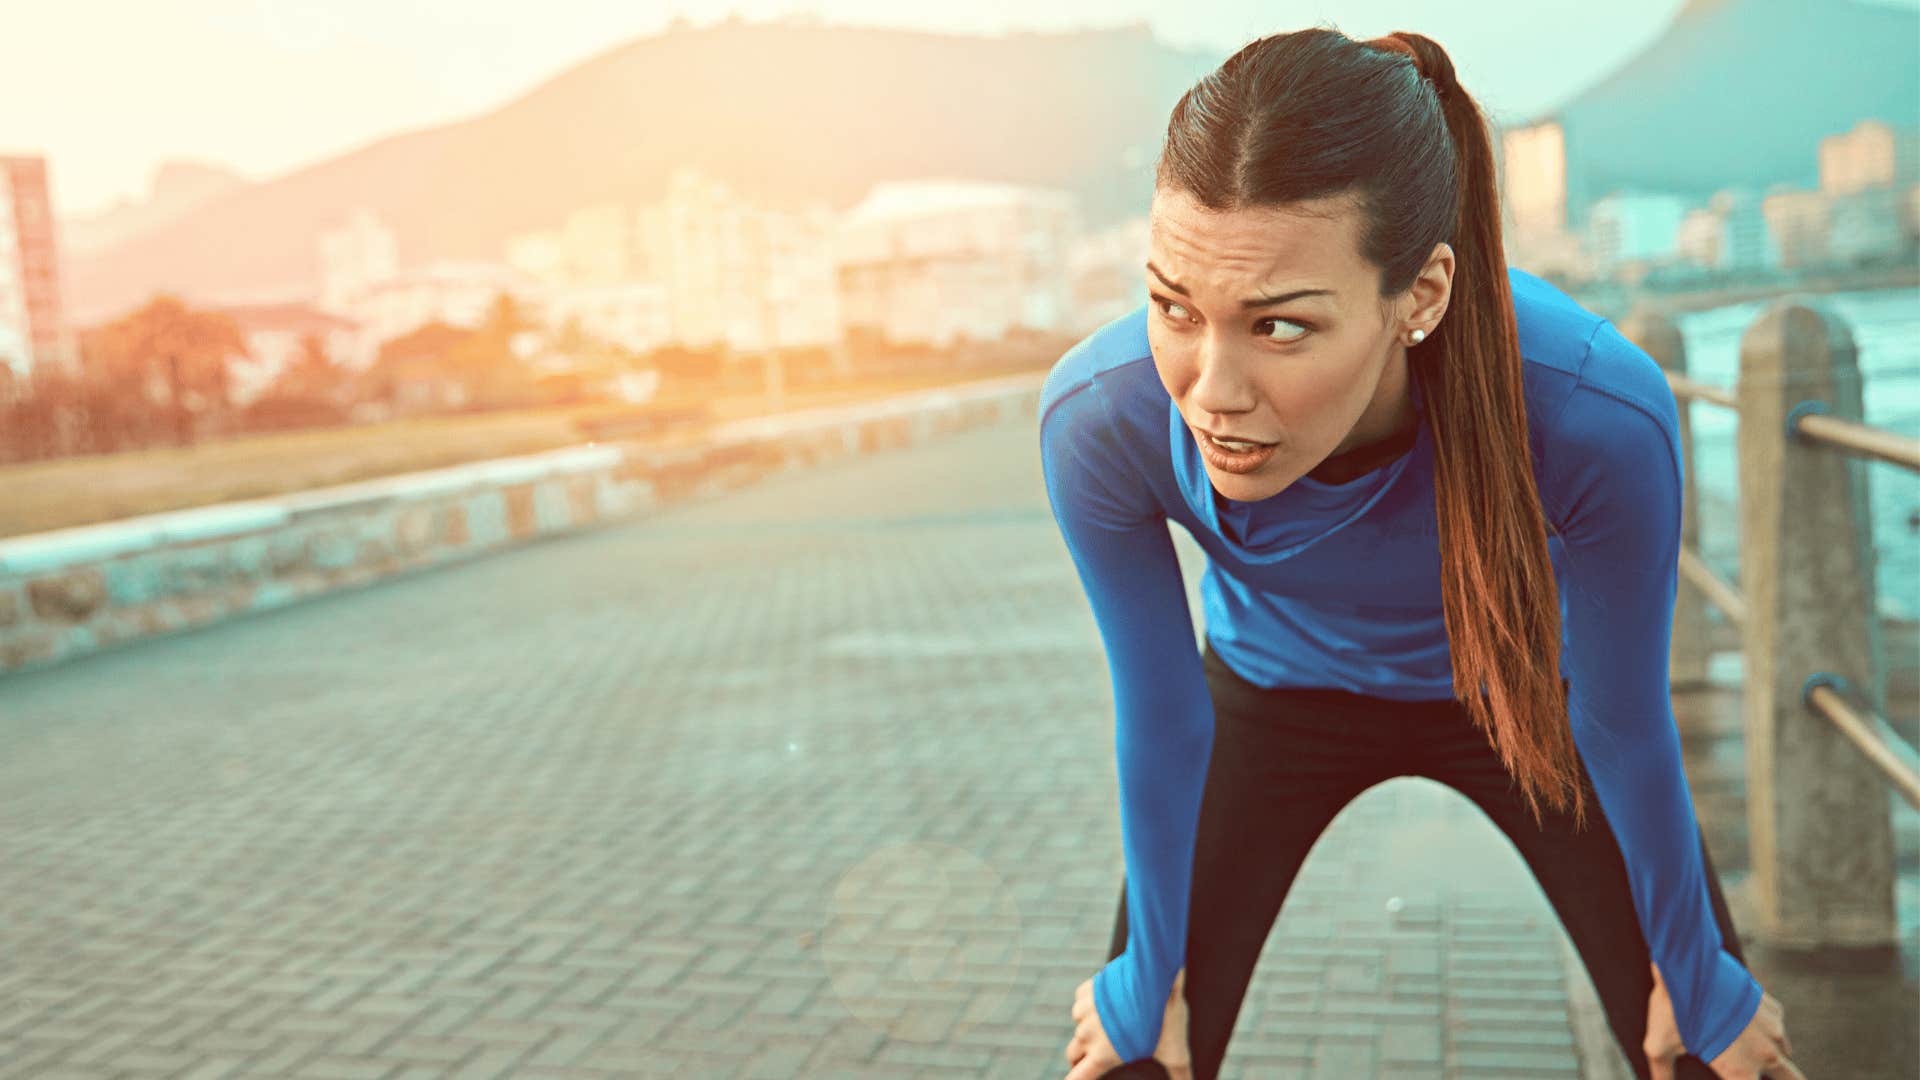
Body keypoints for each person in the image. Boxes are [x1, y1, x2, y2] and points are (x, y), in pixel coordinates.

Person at [1038, 27, 1804, 1080]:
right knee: (1134, 1054)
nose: (1212, 390)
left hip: (1526, 689)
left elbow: (1622, 717)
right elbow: (1164, 716)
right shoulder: (1102, 420)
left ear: (1423, 297)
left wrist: (1702, 977)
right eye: (1175, 306)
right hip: (1270, 694)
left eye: (1283, 328)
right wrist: (1141, 984)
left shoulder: (1593, 415)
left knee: (1711, 1051)